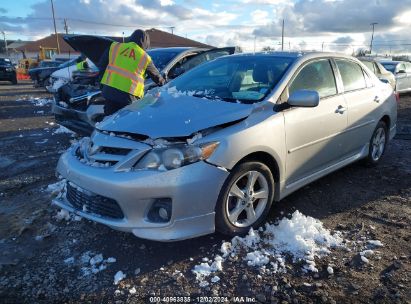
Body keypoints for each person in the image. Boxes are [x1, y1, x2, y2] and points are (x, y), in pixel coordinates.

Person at [97, 29, 165, 115]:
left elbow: (102, 66)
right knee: (124, 122)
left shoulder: (115, 47)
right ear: (145, 43)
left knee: (109, 120)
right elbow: (156, 76)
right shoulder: (145, 57)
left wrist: (102, 84)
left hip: (110, 92)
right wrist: (164, 83)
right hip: (129, 97)